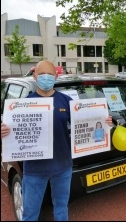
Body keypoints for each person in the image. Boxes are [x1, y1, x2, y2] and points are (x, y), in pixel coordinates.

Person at [0, 60, 112, 221]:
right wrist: (4, 131)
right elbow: (12, 130)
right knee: (30, 214)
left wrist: (105, 121)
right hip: (34, 169)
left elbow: (86, 123)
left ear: (56, 76)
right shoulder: (22, 105)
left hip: (62, 166)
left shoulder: (66, 101)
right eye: (42, 74)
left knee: (61, 210)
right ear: (34, 76)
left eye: (50, 74)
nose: (46, 78)